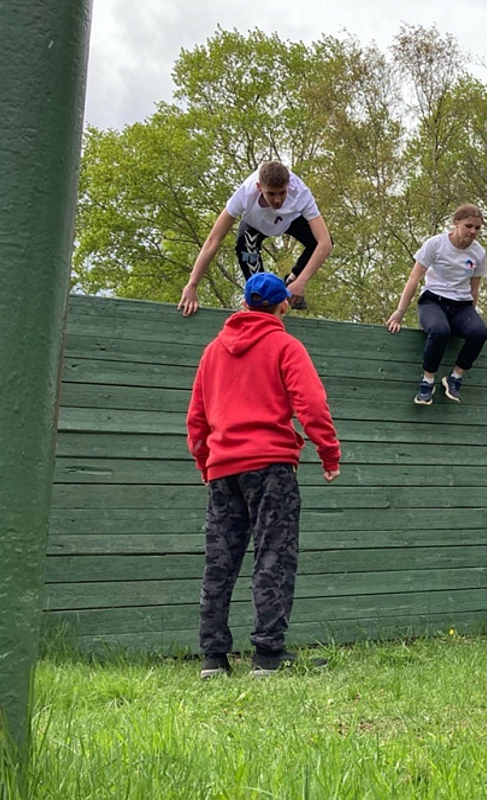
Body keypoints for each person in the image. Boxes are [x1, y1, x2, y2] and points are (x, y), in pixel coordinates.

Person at [187, 273, 342, 678]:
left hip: (224, 470)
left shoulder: (213, 351)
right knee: (274, 554)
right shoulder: (285, 346)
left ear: (245, 303)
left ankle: (212, 658)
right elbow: (311, 404)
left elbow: (197, 418)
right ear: (283, 305)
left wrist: (206, 462)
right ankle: (268, 656)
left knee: (220, 560)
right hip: (271, 466)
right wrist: (329, 454)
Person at [178, 160, 333, 317]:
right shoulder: (245, 193)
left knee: (318, 242)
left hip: (290, 221)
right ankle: (260, 306)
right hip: (255, 225)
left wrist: (301, 281)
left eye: (282, 193)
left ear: (289, 185)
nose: (278, 200)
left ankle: (291, 282)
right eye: (271, 194)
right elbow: (213, 240)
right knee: (250, 263)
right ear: (259, 187)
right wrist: (192, 285)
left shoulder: (301, 192)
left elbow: (325, 243)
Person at [385, 204, 487, 404]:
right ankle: (427, 380)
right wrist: (400, 312)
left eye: (477, 228)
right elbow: (414, 278)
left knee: (479, 332)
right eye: (468, 226)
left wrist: (470, 320)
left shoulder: (479, 253)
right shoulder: (436, 244)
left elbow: (474, 288)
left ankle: (455, 377)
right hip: (433, 301)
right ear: (456, 222)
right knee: (440, 331)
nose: (473, 232)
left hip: (461, 305)